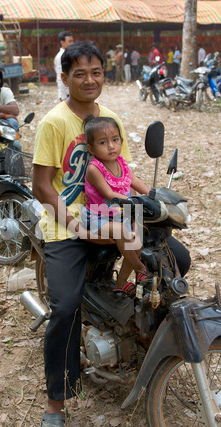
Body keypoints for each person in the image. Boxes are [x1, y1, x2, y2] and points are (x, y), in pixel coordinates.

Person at [32, 40, 191, 427]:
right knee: (65, 307)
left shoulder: (111, 118)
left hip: (113, 218)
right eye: (79, 73)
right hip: (67, 226)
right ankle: (55, 406)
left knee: (177, 260)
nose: (89, 80)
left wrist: (154, 194)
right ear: (64, 78)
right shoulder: (54, 122)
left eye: (96, 72)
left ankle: (139, 334)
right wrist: (72, 221)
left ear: (106, 74)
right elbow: (41, 186)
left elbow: (122, 171)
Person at [81, 114, 149, 294]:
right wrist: (135, 201)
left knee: (138, 238)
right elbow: (109, 194)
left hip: (120, 214)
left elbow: (134, 180)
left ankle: (120, 283)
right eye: (103, 142)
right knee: (121, 231)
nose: (111, 146)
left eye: (115, 140)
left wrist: (150, 195)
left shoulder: (121, 162)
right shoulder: (94, 169)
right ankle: (140, 268)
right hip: (98, 217)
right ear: (91, 148)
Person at [54, 31, 74, 101]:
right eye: (70, 41)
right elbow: (60, 77)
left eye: (72, 41)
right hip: (66, 94)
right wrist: (63, 97)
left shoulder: (69, 55)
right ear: (62, 42)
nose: (72, 43)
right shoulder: (60, 57)